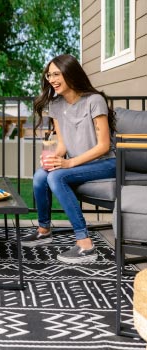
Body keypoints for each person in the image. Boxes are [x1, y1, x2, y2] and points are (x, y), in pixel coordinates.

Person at [21, 54, 116, 264]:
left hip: (105, 163)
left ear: (70, 73)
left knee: (56, 178)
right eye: (49, 75)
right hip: (77, 163)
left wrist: (69, 163)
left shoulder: (94, 100)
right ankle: (44, 230)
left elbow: (104, 145)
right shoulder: (56, 105)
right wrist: (54, 158)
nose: (51, 79)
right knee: (40, 176)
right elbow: (63, 143)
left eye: (56, 74)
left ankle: (85, 245)